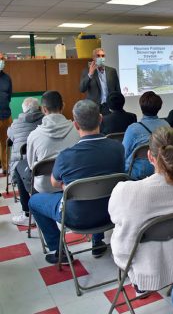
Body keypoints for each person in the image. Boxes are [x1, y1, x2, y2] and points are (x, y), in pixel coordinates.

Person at [29, 100, 125, 264]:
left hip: (76, 218)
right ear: (101, 119)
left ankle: (59, 250)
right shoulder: (118, 148)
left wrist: (69, 186)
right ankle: (97, 242)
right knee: (98, 190)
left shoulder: (66, 156)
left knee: (34, 200)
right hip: (111, 212)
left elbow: (53, 183)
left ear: (75, 124)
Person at [109, 127, 173, 295]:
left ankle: (142, 285)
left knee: (124, 226)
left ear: (150, 156)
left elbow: (115, 218)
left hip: (142, 271)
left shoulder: (125, 191)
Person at [11, 91, 79, 226]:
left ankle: (28, 215)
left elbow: (31, 166)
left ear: (44, 109)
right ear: (63, 106)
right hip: (73, 184)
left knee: (20, 167)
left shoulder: (35, 135)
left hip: (44, 187)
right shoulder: (76, 129)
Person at [123, 91, 169, 180]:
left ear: (141, 107)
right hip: (162, 170)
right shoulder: (166, 125)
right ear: (159, 107)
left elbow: (124, 154)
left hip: (139, 175)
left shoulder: (132, 129)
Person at [7, 97, 43, 185]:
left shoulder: (15, 124)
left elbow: (10, 136)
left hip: (21, 169)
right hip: (43, 166)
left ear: (23, 109)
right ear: (38, 107)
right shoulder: (45, 120)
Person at [79, 48, 120, 115]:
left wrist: (118, 106)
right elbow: (82, 89)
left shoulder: (112, 71)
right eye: (98, 56)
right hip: (94, 108)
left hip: (109, 106)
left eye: (103, 56)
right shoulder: (86, 71)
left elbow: (118, 89)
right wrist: (90, 75)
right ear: (93, 58)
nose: (101, 58)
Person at [0, 52, 12, 174]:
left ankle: (5, 167)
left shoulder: (7, 78)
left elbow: (9, 96)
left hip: (6, 116)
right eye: (0, 59)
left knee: (5, 143)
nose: (2, 62)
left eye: (3, 60)